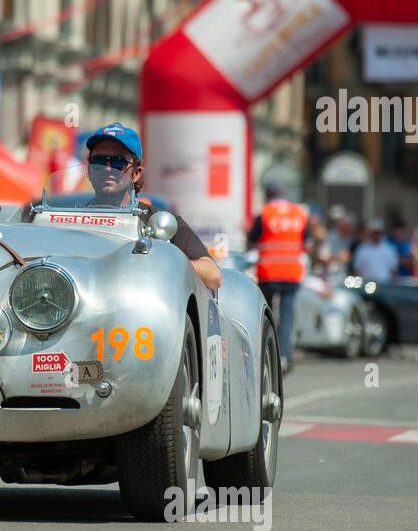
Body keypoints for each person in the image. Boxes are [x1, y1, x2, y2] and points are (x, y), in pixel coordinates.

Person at [78, 123, 221, 292]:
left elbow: (212, 276)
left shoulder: (160, 220)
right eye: (99, 161)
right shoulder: (71, 219)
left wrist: (160, 260)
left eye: (118, 162)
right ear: (89, 170)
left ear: (136, 173)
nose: (107, 169)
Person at [247, 181, 308, 371]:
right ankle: (282, 355)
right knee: (287, 315)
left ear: (267, 194)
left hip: (269, 272)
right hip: (291, 272)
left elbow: (251, 242)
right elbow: (307, 243)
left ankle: (265, 350)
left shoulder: (265, 214)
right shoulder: (299, 214)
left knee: (267, 313)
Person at [353, 219, 399, 284]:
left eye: (378, 233)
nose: (376, 235)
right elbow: (357, 270)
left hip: (385, 285)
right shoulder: (362, 249)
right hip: (367, 286)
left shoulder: (389, 249)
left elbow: (394, 270)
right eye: (374, 233)